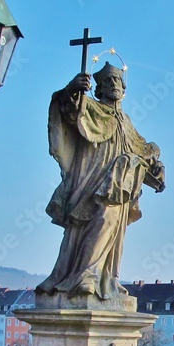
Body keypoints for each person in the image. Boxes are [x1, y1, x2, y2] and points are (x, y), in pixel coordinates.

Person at [37, 63, 165, 300]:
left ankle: (101, 278)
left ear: (124, 88)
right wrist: (72, 90)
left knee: (109, 223)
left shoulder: (126, 123)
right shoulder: (91, 107)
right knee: (80, 228)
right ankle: (79, 277)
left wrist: (155, 170)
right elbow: (69, 110)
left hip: (116, 185)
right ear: (99, 89)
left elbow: (141, 153)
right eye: (107, 82)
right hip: (89, 176)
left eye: (117, 81)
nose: (113, 85)